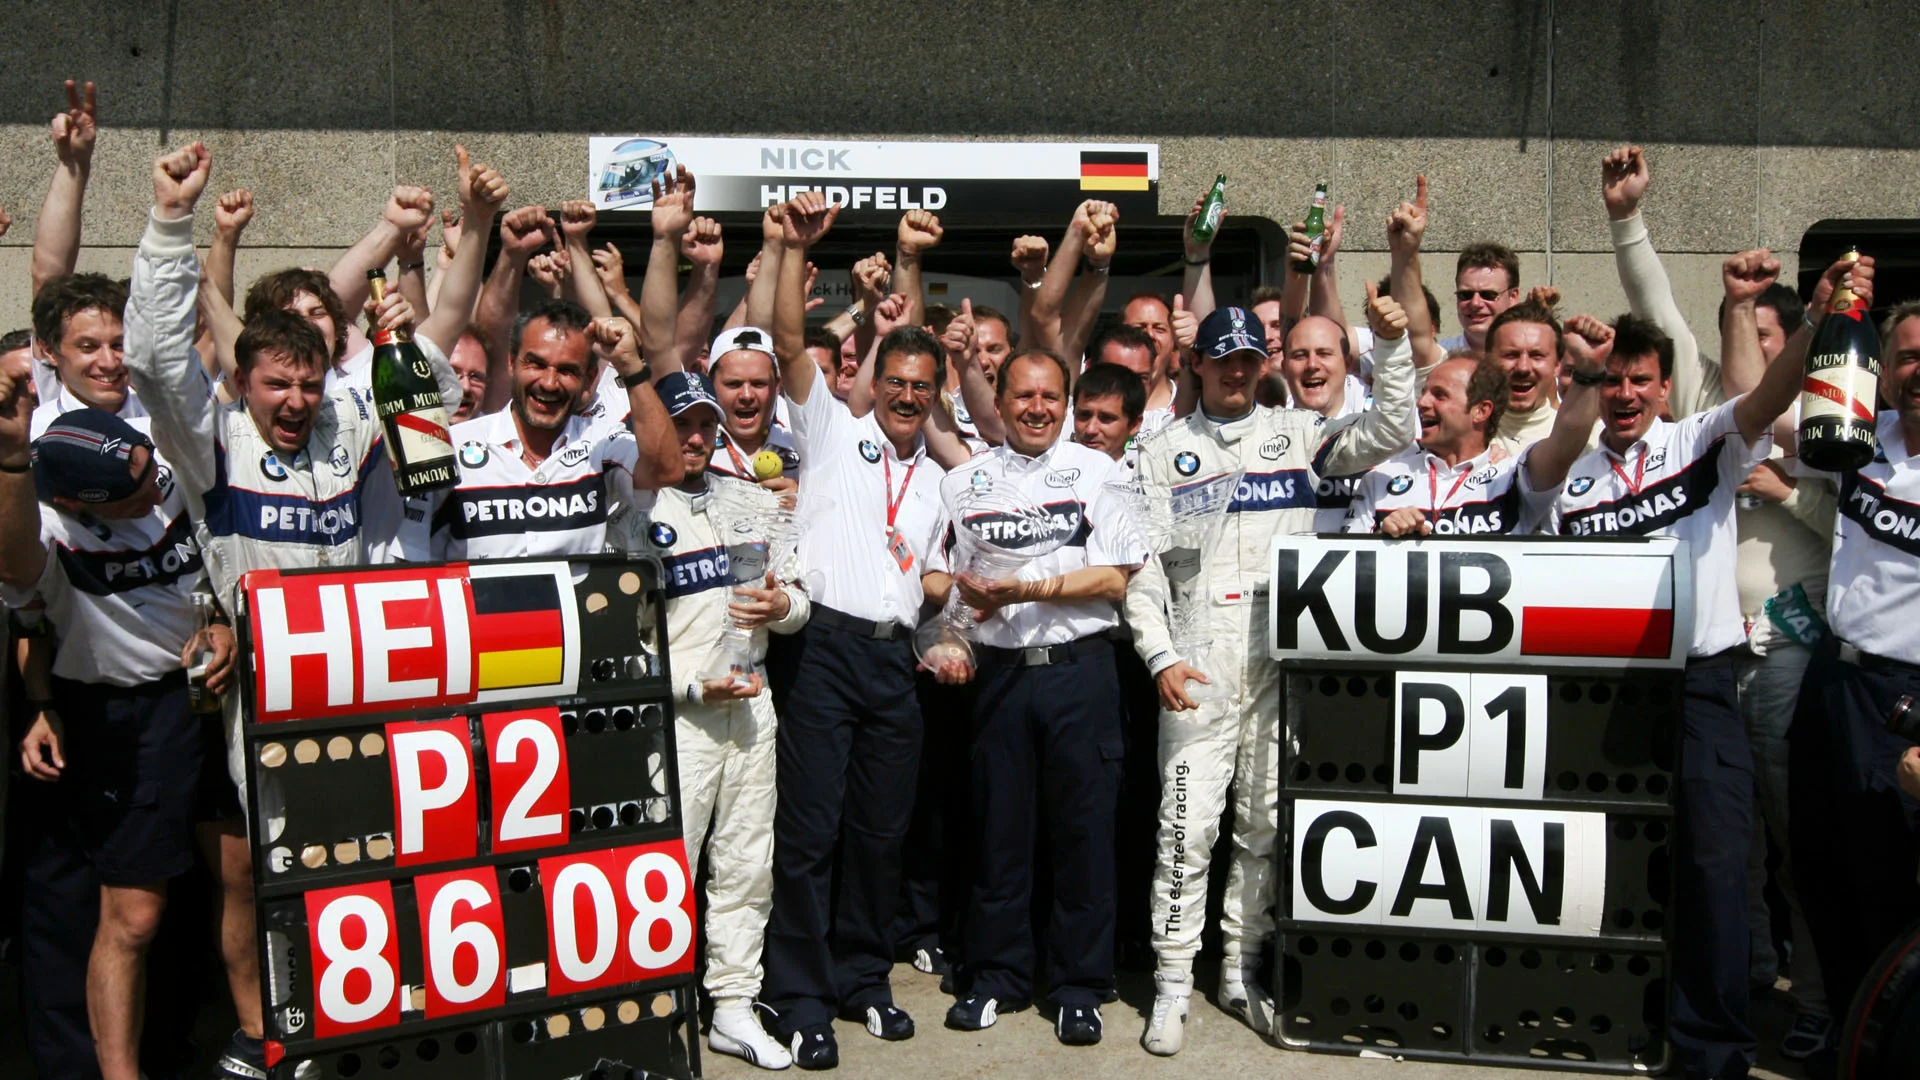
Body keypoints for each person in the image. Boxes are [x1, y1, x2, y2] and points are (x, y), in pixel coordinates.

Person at [1545, 250, 1861, 1080]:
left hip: (1703, 684)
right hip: (1605, 697)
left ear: (1661, 385)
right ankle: (1610, 1021)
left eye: (1640, 381)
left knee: (1718, 865)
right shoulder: (1572, 482)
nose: (1625, 394)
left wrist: (1819, 321)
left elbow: (1770, 396)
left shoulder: (1703, 442)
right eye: (1611, 380)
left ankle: (1712, 1051)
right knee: (1603, 868)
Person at [1130, 285, 1416, 1056]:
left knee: (1264, 825)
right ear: (1195, 363)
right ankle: (1171, 984)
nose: (1235, 372)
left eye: (1249, 360)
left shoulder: (1299, 434)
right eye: (1221, 360)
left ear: (1264, 366)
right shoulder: (1160, 450)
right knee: (1186, 829)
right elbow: (1143, 571)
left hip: (1280, 650)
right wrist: (1159, 653)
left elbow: (1393, 426)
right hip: (1200, 655)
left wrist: (1390, 349)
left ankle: (1238, 969)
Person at [758, 192, 948, 1069]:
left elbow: (939, 576)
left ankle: (863, 980)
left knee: (880, 835)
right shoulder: (833, 428)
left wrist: (948, 619)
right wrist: (795, 250)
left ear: (935, 394)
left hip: (894, 665)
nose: (906, 397)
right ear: (873, 382)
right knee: (809, 832)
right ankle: (797, 995)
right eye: (895, 383)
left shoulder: (947, 476)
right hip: (825, 653)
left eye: (921, 387)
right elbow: (791, 343)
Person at [1, 406, 238, 1080]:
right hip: (124, 718)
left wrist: (221, 623)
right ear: (77, 502)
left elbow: (209, 561)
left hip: (207, 694)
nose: (150, 491)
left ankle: (250, 1039)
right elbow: (15, 562)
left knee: (240, 876)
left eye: (144, 465)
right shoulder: (46, 523)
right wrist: (13, 462)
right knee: (132, 914)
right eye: (130, 490)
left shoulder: (159, 466)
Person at [923, 347, 1145, 1045]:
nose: (1038, 409)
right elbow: (934, 576)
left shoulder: (1098, 471)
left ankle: (1080, 985)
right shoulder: (965, 481)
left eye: (1051, 397)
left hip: (1081, 672)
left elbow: (1114, 578)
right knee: (1000, 831)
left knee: (1083, 833)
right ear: (1002, 399)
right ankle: (997, 977)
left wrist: (1024, 589)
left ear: (1068, 402)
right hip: (1002, 675)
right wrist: (962, 599)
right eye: (1024, 396)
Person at [645, 369, 810, 1070]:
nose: (694, 436)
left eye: (705, 424)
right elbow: (620, 643)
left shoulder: (752, 500)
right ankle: (655, 1009)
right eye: (680, 423)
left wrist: (783, 609)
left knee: (746, 865)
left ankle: (733, 1007)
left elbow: (799, 599)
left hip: (752, 705)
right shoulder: (634, 507)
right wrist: (687, 687)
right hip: (678, 717)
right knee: (666, 872)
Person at [1788, 293, 1920, 1073]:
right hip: (1837, 680)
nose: (1918, 370)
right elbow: (1754, 405)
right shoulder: (1856, 438)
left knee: (1891, 887)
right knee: (1822, 865)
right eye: (1906, 356)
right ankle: (1851, 1030)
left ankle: (1894, 1046)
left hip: (1910, 699)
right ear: (1885, 369)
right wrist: (1801, 317)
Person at [397, 305, 679, 560]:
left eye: (567, 370)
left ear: (589, 379)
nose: (549, 383)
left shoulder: (601, 441)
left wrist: (631, 368)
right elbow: (412, 556)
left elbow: (667, 470)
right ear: (511, 363)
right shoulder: (452, 445)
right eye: (537, 364)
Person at [1344, 332, 1606, 537]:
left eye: (1439, 395)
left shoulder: (1513, 476)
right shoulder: (1381, 478)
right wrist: (1382, 539)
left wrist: (1590, 371)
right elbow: (1345, 567)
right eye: (1424, 392)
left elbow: (1566, 442)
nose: (1422, 403)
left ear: (1481, 411)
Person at [29, 273, 138, 434]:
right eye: (88, 347)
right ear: (50, 351)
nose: (109, 362)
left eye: (118, 345)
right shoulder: (34, 434)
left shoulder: (172, 424)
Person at [1486, 298, 1567, 455]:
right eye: (1511, 355)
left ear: (1557, 366)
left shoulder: (1581, 442)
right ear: (1488, 361)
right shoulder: (1462, 434)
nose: (1523, 367)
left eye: (1537, 356)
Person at [1439, 242, 1521, 354]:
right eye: (1466, 295)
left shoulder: (1527, 363)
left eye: (1488, 295)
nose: (1475, 303)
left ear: (1512, 297)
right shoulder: (1441, 359)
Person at [1071, 361, 1146, 463]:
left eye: (1106, 418)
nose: (1090, 429)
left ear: (1134, 425)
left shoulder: (1145, 477)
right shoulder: (1047, 469)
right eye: (1084, 415)